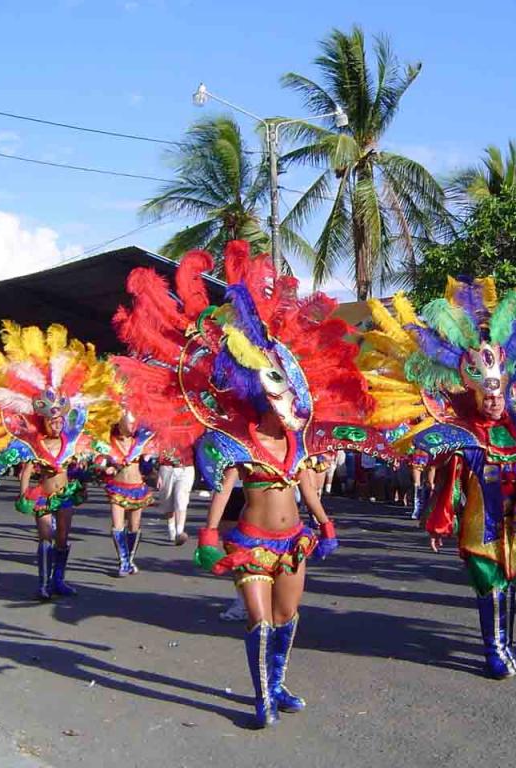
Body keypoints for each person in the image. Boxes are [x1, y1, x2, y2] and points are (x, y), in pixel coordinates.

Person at [113, 241, 370, 728]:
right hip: (250, 544)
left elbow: (309, 489)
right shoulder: (237, 443)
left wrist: (326, 523)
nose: (280, 407)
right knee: (259, 620)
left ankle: (278, 683)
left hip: (294, 542)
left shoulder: (299, 445)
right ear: (258, 397)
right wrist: (209, 534)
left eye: (285, 398)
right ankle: (261, 698)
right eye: (272, 398)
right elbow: (226, 490)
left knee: (287, 619)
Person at [360, 276, 516, 678]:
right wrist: (439, 522)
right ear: (473, 395)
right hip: (479, 529)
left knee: (509, 584)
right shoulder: (465, 437)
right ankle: (495, 648)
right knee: (489, 586)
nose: (493, 400)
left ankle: (505, 642)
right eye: (486, 395)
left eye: (498, 394)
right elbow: (451, 482)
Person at [0, 322, 120, 599]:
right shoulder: (34, 441)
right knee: (45, 537)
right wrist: (22, 493)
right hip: (41, 494)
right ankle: (43, 583)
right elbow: (28, 468)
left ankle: (58, 580)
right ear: (43, 420)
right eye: (51, 420)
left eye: (59, 419)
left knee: (63, 538)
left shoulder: (73, 440)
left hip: (65, 493)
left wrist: (97, 471)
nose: (56, 424)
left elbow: (87, 461)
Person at [96, 408, 156, 577]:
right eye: (130, 422)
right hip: (117, 488)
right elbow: (99, 461)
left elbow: (147, 466)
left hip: (137, 488)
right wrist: (105, 467)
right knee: (117, 525)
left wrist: (151, 469)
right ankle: (122, 561)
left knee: (134, 526)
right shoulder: (109, 441)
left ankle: (130, 559)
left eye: (134, 423)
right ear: (120, 422)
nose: (133, 426)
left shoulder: (140, 442)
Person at [156, 447, 194, 545]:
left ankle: (179, 532)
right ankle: (172, 530)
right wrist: (158, 473)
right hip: (167, 468)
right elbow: (157, 449)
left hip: (186, 468)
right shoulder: (163, 433)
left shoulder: (192, 433)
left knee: (181, 500)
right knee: (168, 502)